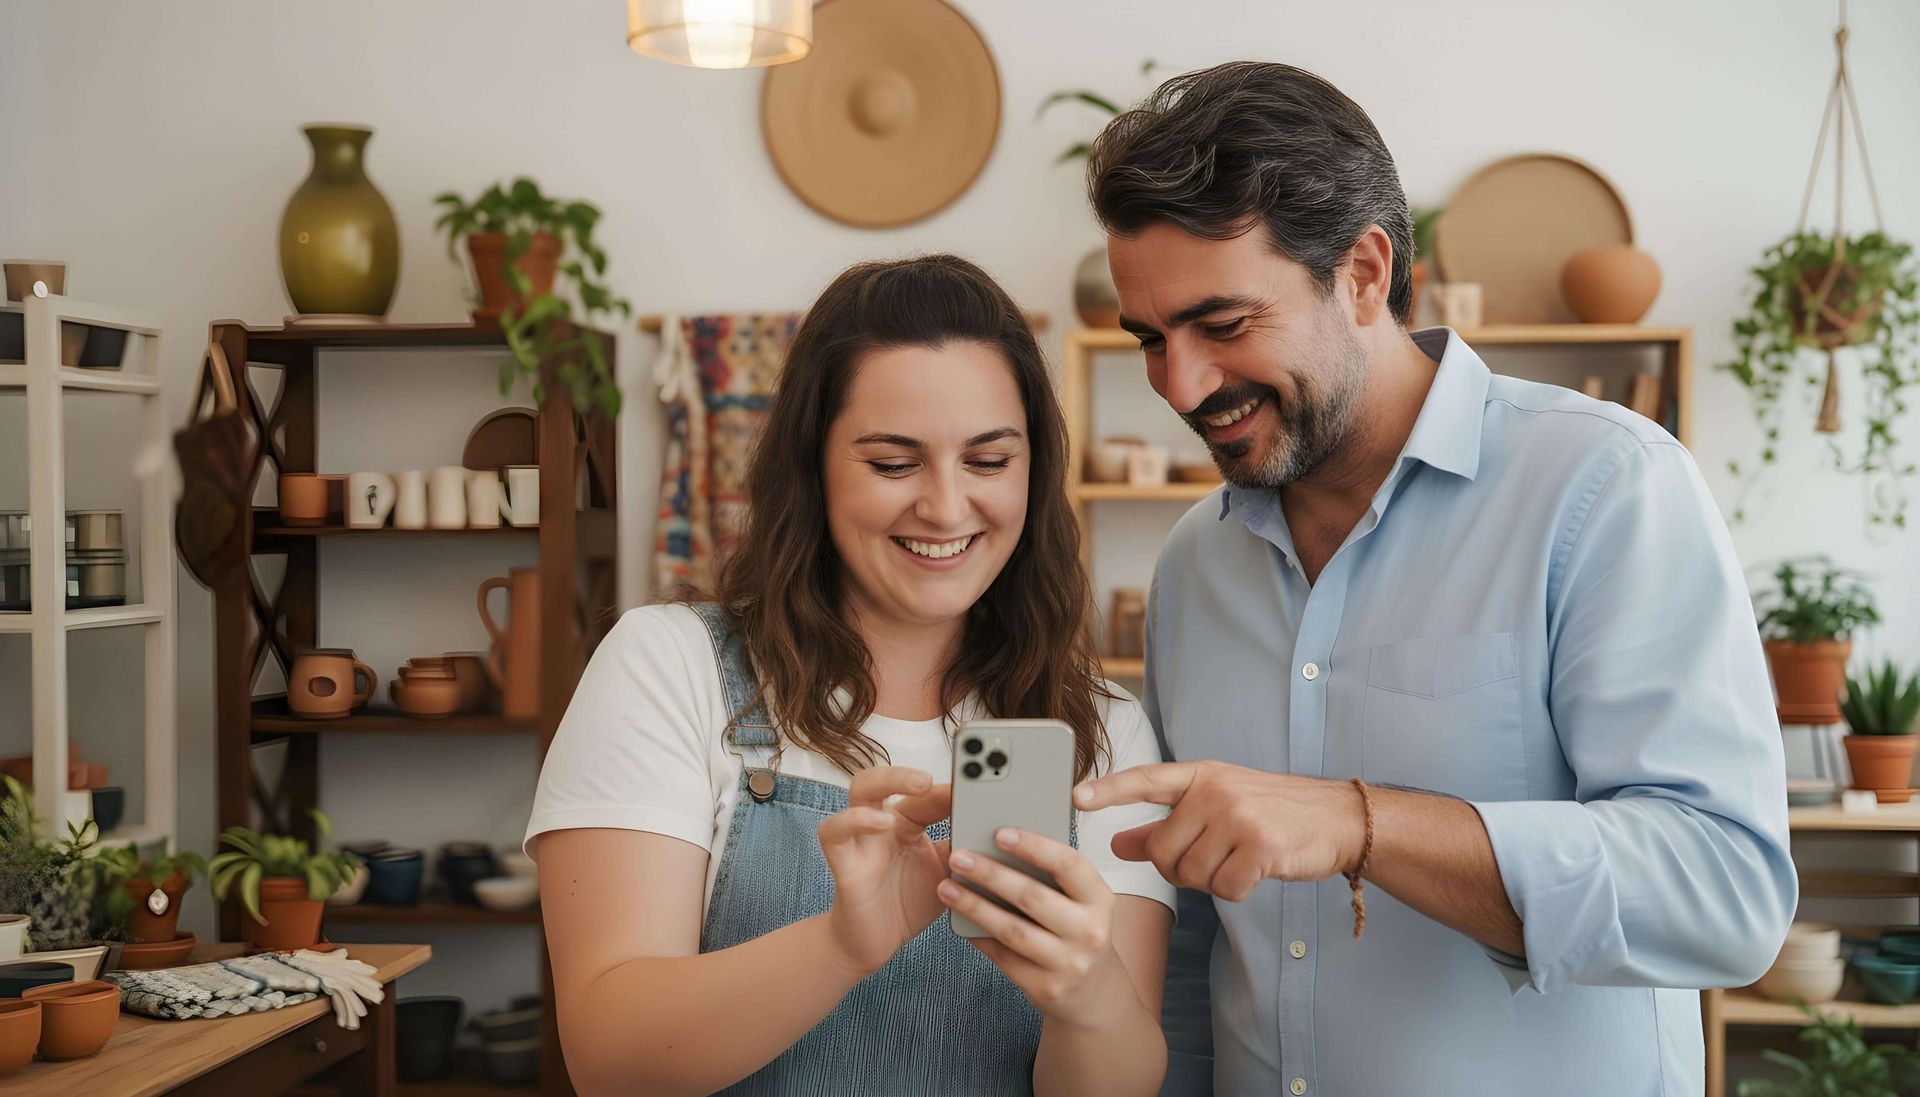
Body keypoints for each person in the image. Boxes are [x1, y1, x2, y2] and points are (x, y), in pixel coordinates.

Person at [1068, 62, 1797, 1096]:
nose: (1181, 385)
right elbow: (1195, 943)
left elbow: (1725, 894)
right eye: (1151, 340)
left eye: (1224, 325)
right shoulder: (1195, 561)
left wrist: (1362, 821)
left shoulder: (1604, 489)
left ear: (1364, 272)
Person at [526, 254, 1175, 1096]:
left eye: (988, 460)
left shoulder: (1102, 727)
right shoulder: (667, 665)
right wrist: (842, 941)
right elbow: (611, 1060)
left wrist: (1089, 996)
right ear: (813, 467)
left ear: (1034, 470)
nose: (946, 507)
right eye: (893, 463)